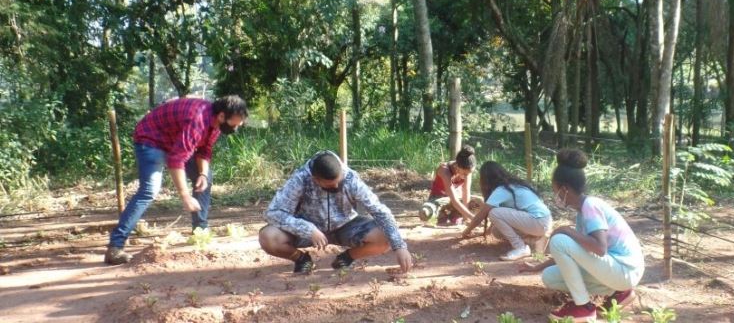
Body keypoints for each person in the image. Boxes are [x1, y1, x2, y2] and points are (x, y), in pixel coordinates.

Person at [104, 95, 248, 265]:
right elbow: (176, 160)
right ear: (222, 116)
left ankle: (200, 232)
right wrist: (185, 196)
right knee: (149, 190)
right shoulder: (198, 120)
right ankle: (115, 246)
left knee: (205, 177)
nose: (236, 128)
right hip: (151, 139)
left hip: (175, 140)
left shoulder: (216, 124)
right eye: (235, 123)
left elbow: (204, 150)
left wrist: (202, 174)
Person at [517, 149, 644, 322]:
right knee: (550, 276)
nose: (556, 196)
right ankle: (619, 293)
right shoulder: (582, 212)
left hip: (625, 270)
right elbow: (573, 253)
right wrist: (537, 267)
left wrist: (566, 231)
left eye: (556, 190)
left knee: (559, 239)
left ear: (565, 189)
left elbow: (599, 248)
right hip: (618, 270)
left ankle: (583, 307)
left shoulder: (591, 206)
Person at [259, 150, 412, 274]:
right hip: (308, 230)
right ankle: (301, 259)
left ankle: (346, 258)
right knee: (268, 237)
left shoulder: (350, 178)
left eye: (339, 180)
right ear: (316, 179)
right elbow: (272, 212)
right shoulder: (300, 179)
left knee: (385, 237)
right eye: (331, 185)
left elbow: (379, 211)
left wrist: (399, 246)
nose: (338, 185)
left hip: (347, 225)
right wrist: (307, 228)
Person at [461, 160, 552, 261]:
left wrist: (466, 231)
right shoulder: (512, 185)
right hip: (543, 221)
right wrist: (487, 231)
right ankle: (534, 240)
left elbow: (482, 214)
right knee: (496, 231)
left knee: (494, 213)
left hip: (538, 221)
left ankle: (520, 247)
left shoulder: (502, 190)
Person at [419, 145, 479, 226]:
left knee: (478, 202)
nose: (466, 176)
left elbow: (466, 193)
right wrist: (472, 217)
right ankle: (441, 216)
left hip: (457, 200)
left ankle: (456, 216)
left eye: (468, 174)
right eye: (464, 173)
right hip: (438, 200)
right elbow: (454, 200)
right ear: (457, 166)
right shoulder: (444, 170)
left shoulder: (467, 171)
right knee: (425, 212)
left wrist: (466, 217)